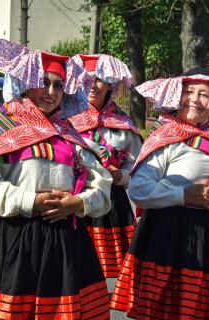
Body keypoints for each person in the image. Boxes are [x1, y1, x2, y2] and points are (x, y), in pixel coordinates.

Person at [0, 39, 113, 319]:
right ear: (27, 83)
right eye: (44, 82)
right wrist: (32, 201)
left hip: (66, 242)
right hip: (17, 239)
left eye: (58, 85)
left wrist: (78, 203)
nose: (51, 91)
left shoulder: (71, 135)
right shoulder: (7, 126)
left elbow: (102, 188)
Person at [110, 68, 209, 319]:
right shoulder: (164, 138)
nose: (194, 99)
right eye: (188, 92)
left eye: (204, 94)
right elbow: (139, 189)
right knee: (165, 310)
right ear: (177, 96)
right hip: (168, 235)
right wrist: (185, 195)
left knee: (208, 312)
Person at [68, 54, 142, 278]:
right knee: (73, 264)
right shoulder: (66, 120)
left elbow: (139, 168)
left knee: (104, 271)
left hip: (112, 203)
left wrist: (121, 175)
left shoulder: (123, 125)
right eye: (88, 79)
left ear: (111, 86)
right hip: (76, 199)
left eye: (100, 80)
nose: (93, 85)